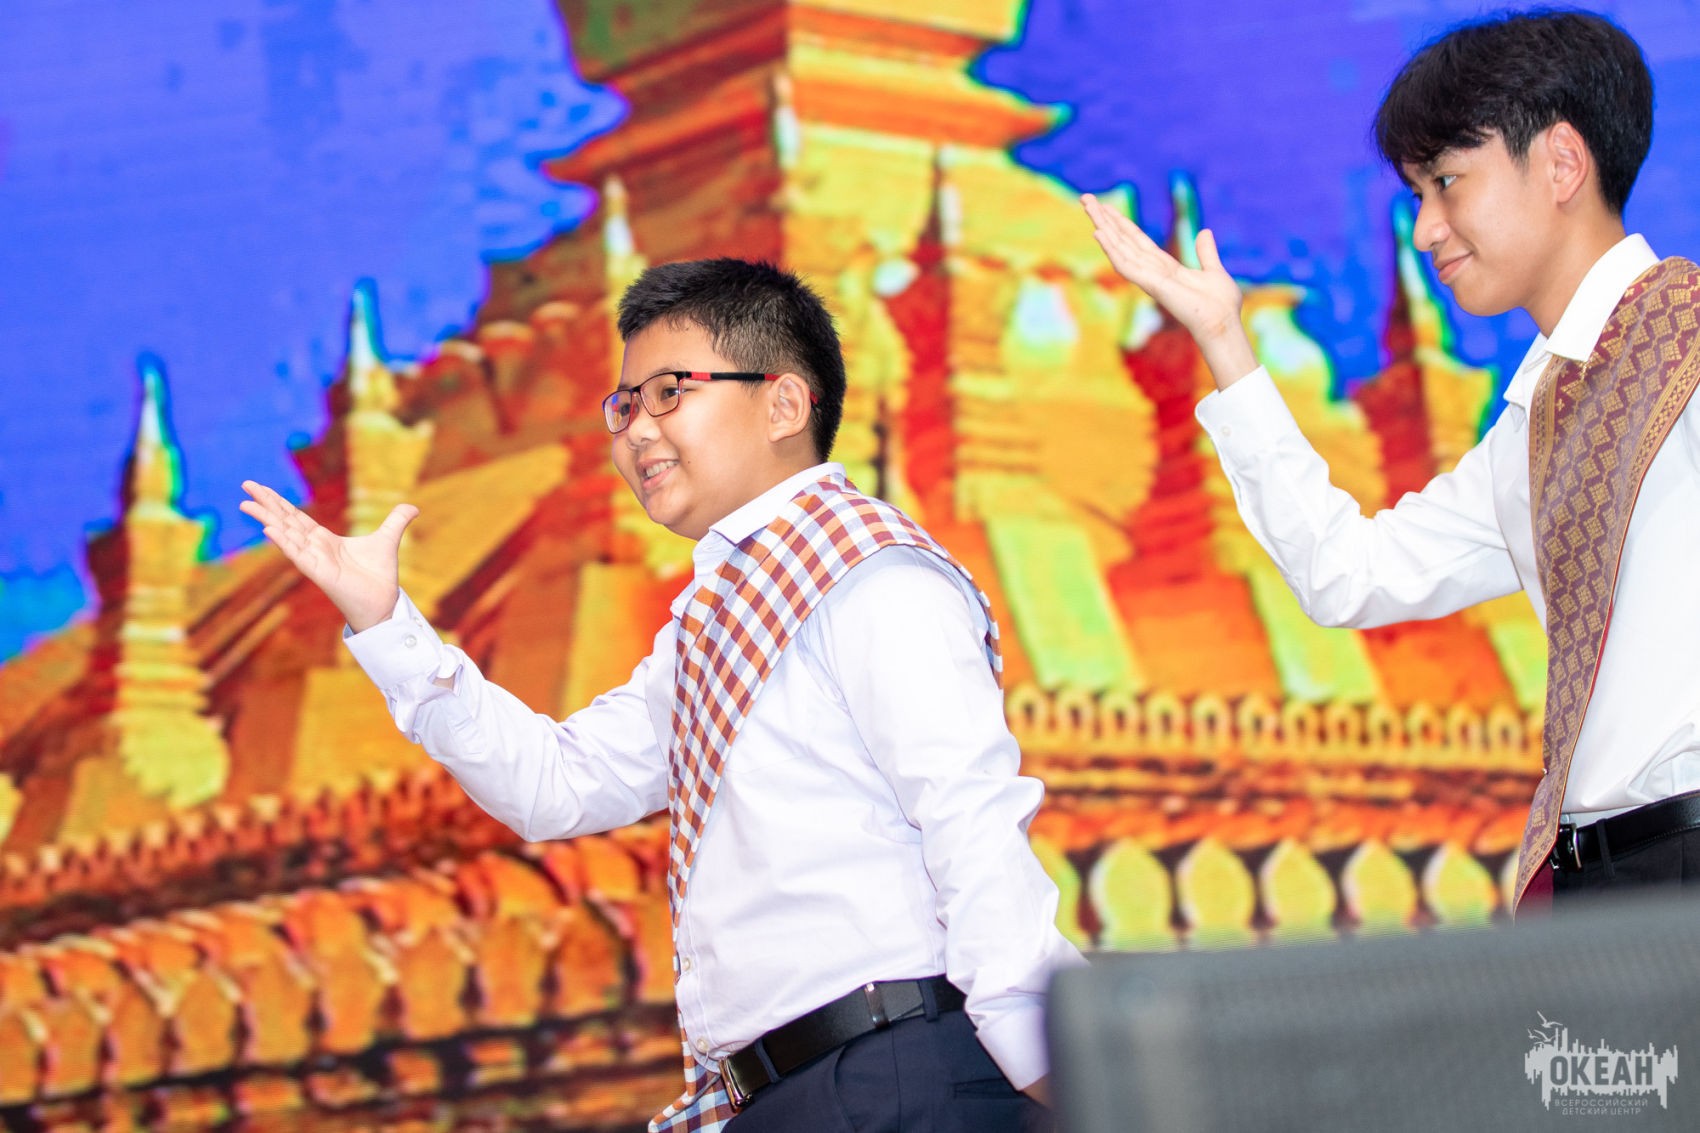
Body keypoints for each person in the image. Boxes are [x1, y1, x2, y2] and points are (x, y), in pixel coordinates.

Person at [241, 257, 1080, 1131]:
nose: (637, 429)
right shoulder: (724, 617)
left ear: (784, 405)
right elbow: (555, 786)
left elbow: (969, 821)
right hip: (786, 1093)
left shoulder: (873, 580)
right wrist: (386, 622)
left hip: (895, 1076)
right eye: (625, 404)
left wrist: (1059, 1067)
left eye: (671, 392)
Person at [1081, 9, 1700, 914]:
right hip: (1590, 884)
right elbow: (1348, 573)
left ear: (1562, 163)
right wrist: (1222, 339)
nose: (1426, 230)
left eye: (1447, 183)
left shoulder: (1689, 338)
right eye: (1417, 196)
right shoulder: (1533, 426)